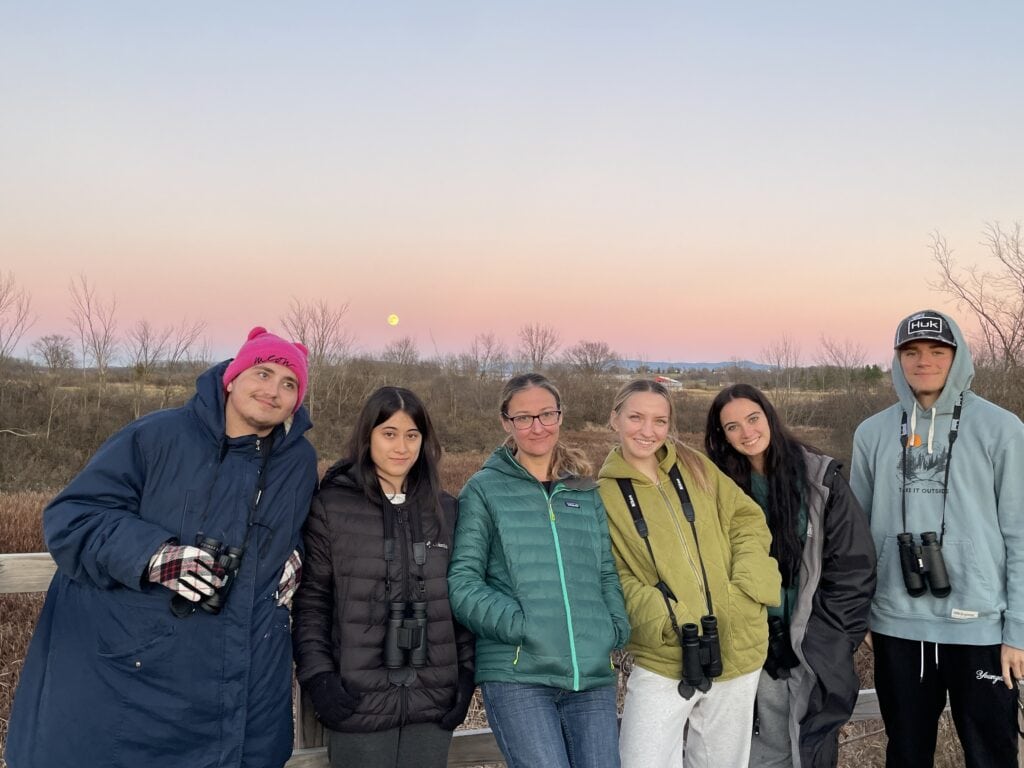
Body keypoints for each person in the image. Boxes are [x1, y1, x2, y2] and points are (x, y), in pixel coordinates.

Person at [5, 326, 319, 768]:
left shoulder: (298, 461)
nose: (273, 391)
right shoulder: (157, 437)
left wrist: (299, 555)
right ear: (233, 377)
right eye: (262, 373)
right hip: (141, 676)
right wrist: (155, 556)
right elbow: (72, 518)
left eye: (289, 384)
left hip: (246, 678)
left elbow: (296, 524)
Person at [851, 309, 1024, 768]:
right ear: (898, 359)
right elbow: (856, 540)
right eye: (911, 351)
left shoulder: (1003, 430)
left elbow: (1020, 535)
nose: (923, 360)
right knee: (906, 754)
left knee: (992, 754)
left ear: (957, 355)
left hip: (980, 626)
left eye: (936, 350)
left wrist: (1018, 632)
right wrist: (861, 613)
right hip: (897, 624)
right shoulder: (871, 433)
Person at [447, 372, 630, 768]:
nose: (537, 427)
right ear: (506, 423)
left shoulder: (584, 490)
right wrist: (523, 626)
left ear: (560, 417)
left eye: (547, 414)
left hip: (590, 675)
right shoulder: (484, 489)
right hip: (518, 675)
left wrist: (612, 628)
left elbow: (605, 572)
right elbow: (463, 583)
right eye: (524, 418)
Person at [597, 379, 781, 768]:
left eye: (659, 420)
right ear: (615, 418)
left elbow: (746, 519)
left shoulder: (695, 465)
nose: (648, 431)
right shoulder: (601, 494)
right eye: (636, 417)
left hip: (737, 642)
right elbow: (610, 573)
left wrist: (744, 591)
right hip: (664, 652)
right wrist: (665, 616)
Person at [291, 386, 475, 768]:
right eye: (389, 433)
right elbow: (312, 602)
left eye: (412, 435)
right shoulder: (332, 507)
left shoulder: (446, 509)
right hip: (358, 701)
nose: (401, 447)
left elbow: (460, 598)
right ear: (368, 436)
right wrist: (320, 678)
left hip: (432, 701)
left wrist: (466, 675)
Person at [705, 383, 876, 768]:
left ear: (769, 416)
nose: (747, 433)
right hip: (749, 640)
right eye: (732, 427)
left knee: (807, 746)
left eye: (753, 419)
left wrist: (831, 637)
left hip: (810, 639)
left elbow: (852, 565)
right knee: (755, 750)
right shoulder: (716, 487)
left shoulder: (819, 478)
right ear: (721, 436)